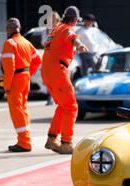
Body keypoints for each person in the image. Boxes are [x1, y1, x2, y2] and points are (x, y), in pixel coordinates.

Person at [41, 6, 88, 154]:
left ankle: (52, 138)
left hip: (47, 72)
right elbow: (72, 37)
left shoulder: (55, 29)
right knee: (72, 107)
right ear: (74, 20)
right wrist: (80, 45)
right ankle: (66, 143)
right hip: (57, 71)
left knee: (63, 106)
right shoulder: (67, 29)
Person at [1, 18, 42, 152]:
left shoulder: (9, 43)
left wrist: (6, 86)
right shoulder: (26, 42)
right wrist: (29, 74)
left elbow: (9, 68)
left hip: (16, 80)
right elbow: (37, 60)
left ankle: (24, 143)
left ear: (8, 29)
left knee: (16, 111)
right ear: (19, 28)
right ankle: (25, 140)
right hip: (25, 79)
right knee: (23, 110)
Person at [41, 11, 61, 106]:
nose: (51, 20)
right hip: (48, 57)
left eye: (53, 18)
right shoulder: (46, 30)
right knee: (49, 79)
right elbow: (43, 43)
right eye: (50, 19)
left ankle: (56, 98)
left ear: (57, 19)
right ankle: (51, 97)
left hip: (58, 57)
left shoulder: (60, 29)